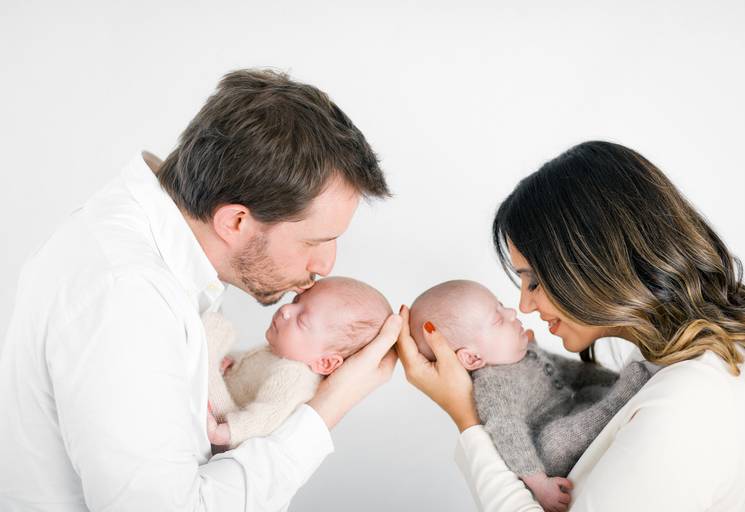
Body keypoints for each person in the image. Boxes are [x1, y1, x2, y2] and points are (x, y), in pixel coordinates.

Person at [0, 69, 402, 511]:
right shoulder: (127, 298)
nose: (326, 266)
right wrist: (328, 408)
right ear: (235, 221)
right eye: (314, 242)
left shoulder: (141, 248)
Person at [397, 141, 745, 511]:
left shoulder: (687, 402)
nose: (524, 305)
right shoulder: (693, 370)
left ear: (596, 265)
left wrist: (467, 419)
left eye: (535, 281)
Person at [408, 279, 654, 512]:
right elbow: (508, 433)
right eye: (498, 319)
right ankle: (621, 398)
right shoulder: (493, 385)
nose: (512, 314)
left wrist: (610, 379)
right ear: (472, 357)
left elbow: (573, 372)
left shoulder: (526, 353)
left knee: (592, 389)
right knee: (554, 442)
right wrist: (538, 484)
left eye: (502, 306)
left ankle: (617, 392)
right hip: (547, 448)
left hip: (571, 410)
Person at [206, 276, 392, 448]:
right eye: (296, 302)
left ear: (326, 363)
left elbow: (269, 416)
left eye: (302, 320)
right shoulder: (281, 354)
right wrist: (232, 364)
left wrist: (225, 432)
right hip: (225, 406)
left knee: (209, 344)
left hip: (224, 426)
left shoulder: (294, 376)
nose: (286, 310)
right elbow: (254, 369)